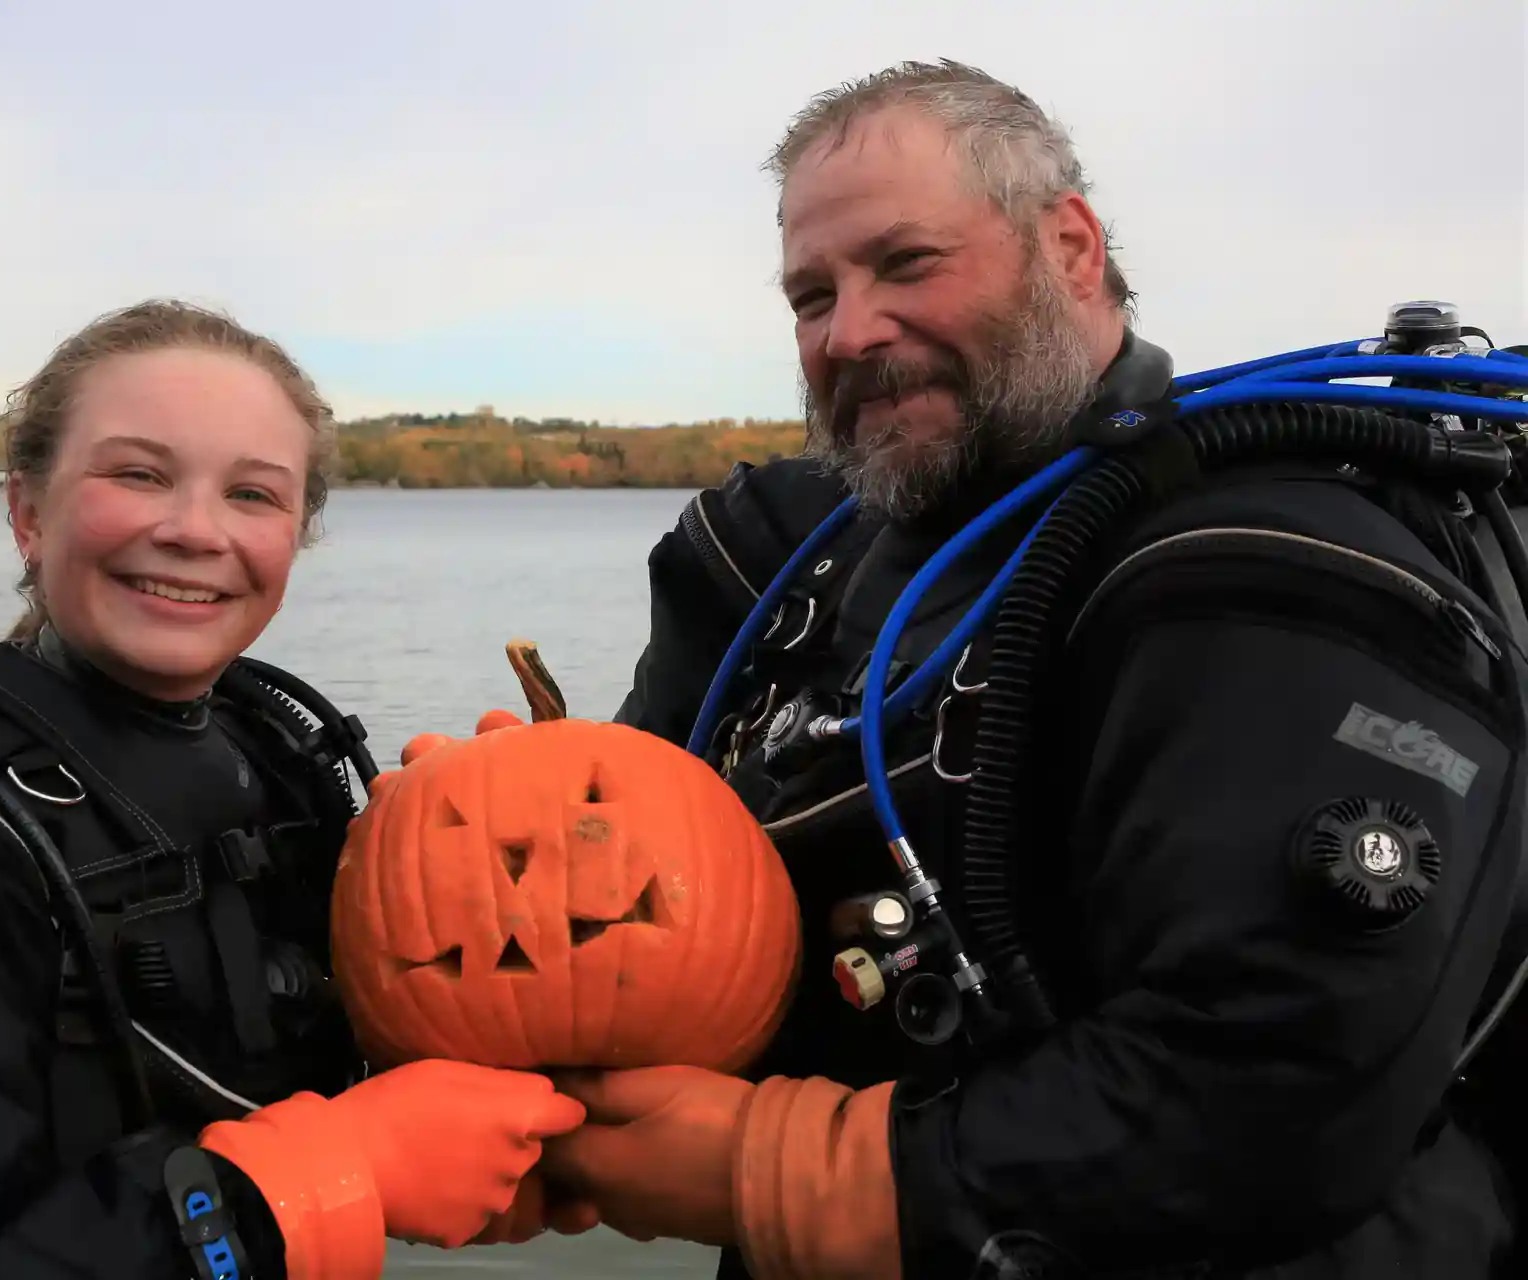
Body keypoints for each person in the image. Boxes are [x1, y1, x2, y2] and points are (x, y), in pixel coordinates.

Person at [530, 62, 1528, 1278]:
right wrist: (525, 826)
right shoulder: (783, 570)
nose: (847, 332)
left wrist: (777, 1164)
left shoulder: (1256, 573)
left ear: (1069, 246)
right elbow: (622, 910)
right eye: (810, 294)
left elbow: (1275, 1084)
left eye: (905, 264)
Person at [0, 299, 584, 1280]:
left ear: (296, 535)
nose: (194, 529)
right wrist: (337, 1175)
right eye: (139, 474)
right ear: (28, 510)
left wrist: (498, 865)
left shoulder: (274, 756)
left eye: (253, 494)